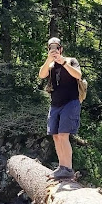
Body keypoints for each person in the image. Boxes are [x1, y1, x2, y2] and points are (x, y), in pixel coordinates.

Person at [39, 37, 82, 180]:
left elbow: (78, 75)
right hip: (55, 104)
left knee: (64, 135)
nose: (54, 50)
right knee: (56, 136)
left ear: (61, 49)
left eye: (56, 48)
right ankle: (61, 167)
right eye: (51, 48)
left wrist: (63, 62)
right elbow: (41, 75)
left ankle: (68, 169)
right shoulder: (50, 65)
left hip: (70, 102)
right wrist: (48, 60)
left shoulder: (71, 61)